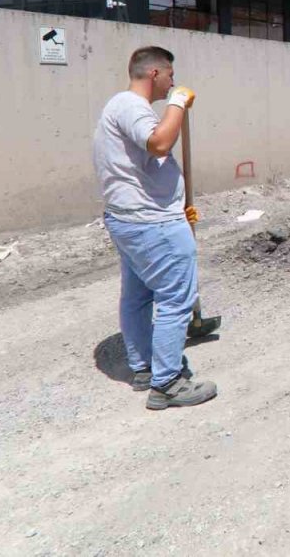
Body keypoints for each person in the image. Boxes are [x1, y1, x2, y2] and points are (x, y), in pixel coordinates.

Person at [93, 46, 217, 410]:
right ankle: (167, 383)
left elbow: (146, 161)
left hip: (132, 218)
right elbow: (160, 143)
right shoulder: (131, 106)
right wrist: (176, 104)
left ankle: (144, 366)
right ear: (154, 75)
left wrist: (176, 200)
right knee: (175, 299)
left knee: (138, 296)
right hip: (151, 223)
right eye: (170, 77)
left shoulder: (119, 108)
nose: (173, 82)